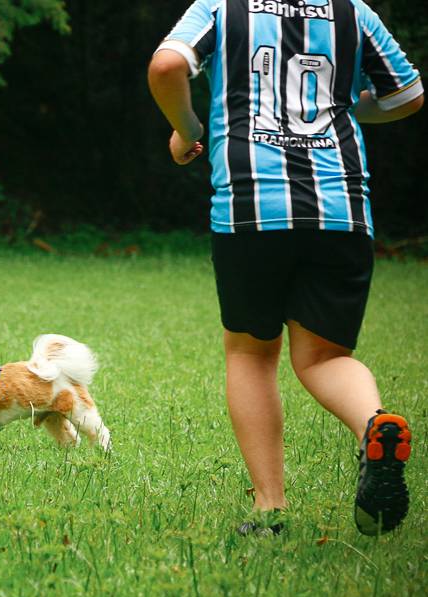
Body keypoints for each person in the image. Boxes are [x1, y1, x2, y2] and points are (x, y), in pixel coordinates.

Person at [147, 0, 421, 535]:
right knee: (324, 357)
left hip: (252, 209)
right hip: (340, 210)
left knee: (250, 352)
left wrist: (186, 127)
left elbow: (166, 65)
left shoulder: (221, 8)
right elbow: (407, 95)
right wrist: (346, 106)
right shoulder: (353, 11)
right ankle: (373, 427)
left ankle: (270, 509)